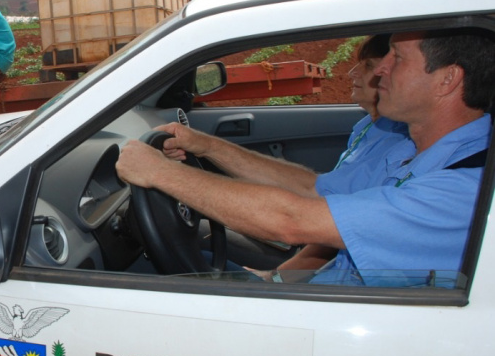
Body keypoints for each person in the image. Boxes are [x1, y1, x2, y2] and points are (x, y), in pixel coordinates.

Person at [116, 28, 495, 286]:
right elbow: (311, 188)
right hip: (320, 295)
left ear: (447, 80)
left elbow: (292, 220)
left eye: (397, 57)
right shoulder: (410, 154)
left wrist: (161, 174)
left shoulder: (466, 191)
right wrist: (207, 145)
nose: (380, 69)